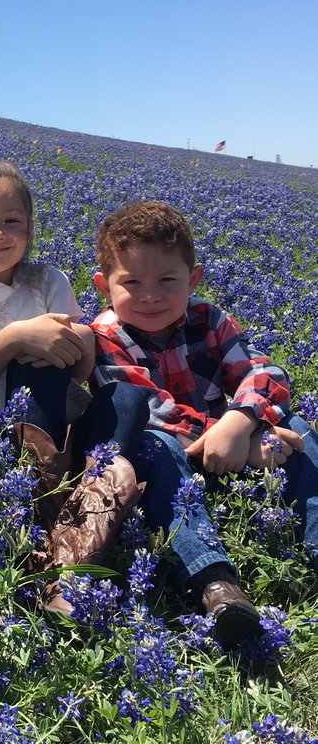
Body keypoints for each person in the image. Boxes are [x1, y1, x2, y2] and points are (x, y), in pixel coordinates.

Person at [0, 152, 149, 613]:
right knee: (28, 364)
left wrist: (79, 337)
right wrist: (23, 334)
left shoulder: (47, 279)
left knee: (128, 397)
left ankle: (77, 537)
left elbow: (81, 370)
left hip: (63, 418)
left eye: (10, 221)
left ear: (29, 228)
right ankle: (42, 522)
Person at [91, 199, 318, 649]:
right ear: (103, 285)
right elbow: (153, 409)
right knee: (154, 442)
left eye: (167, 280)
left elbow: (265, 372)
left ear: (193, 280)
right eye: (131, 282)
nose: (150, 295)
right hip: (172, 471)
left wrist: (243, 420)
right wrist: (237, 435)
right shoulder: (104, 335)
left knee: (300, 426)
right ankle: (213, 581)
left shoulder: (210, 319)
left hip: (234, 448)